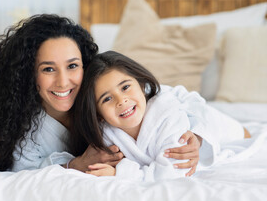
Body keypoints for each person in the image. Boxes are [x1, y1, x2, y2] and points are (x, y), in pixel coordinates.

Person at [0, 14, 202, 173]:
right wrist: (75, 165)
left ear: (85, 65)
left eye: (72, 66)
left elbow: (176, 98)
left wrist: (196, 139)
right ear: (29, 74)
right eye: (48, 69)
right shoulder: (23, 126)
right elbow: (24, 171)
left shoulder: (108, 91)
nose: (63, 82)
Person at [72, 51, 251, 181]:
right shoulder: (108, 134)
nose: (121, 100)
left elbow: (173, 171)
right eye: (107, 98)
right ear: (99, 114)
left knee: (244, 134)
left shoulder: (167, 117)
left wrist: (119, 173)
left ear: (142, 86)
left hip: (215, 123)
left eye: (125, 87)